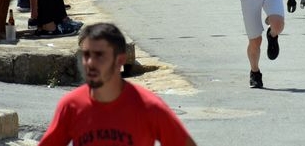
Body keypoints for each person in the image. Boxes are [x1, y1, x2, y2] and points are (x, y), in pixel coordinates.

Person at [39, 23, 197, 146]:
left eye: (99, 55)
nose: (90, 63)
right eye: (86, 55)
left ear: (120, 60)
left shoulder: (148, 107)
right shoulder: (71, 105)